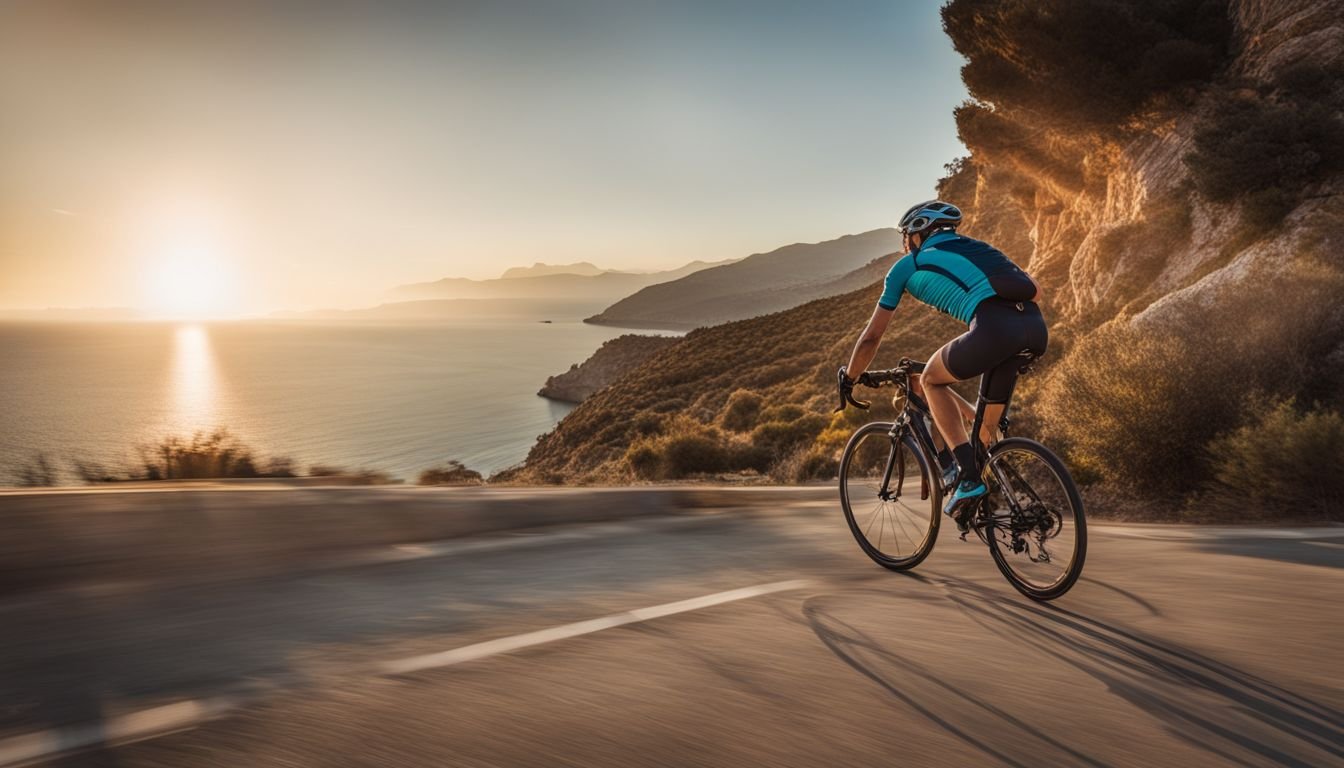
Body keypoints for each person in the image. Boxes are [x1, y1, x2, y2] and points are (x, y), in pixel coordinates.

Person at [840, 200, 1047, 530]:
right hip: (1035, 331)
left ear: (917, 234)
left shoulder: (908, 265)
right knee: (983, 435)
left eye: (906, 236)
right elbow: (1035, 291)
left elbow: (871, 338)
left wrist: (849, 378)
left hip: (993, 329)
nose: (905, 243)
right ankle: (1009, 507)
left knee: (931, 380)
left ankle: (968, 481)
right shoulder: (982, 249)